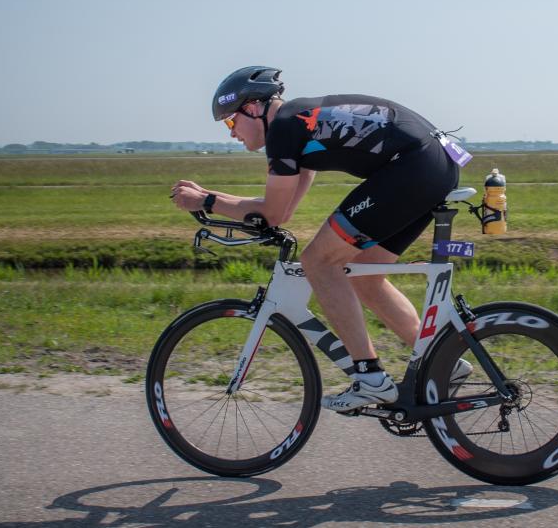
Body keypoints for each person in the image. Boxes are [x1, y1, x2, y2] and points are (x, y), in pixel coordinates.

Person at [170, 66, 470, 412]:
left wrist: (206, 200)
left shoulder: (283, 127)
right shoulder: (295, 121)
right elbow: (285, 205)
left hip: (415, 167)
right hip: (434, 162)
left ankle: (370, 379)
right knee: (365, 278)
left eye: (230, 122)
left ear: (252, 108)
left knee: (318, 262)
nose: (232, 133)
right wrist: (247, 207)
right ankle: (444, 362)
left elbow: (271, 212)